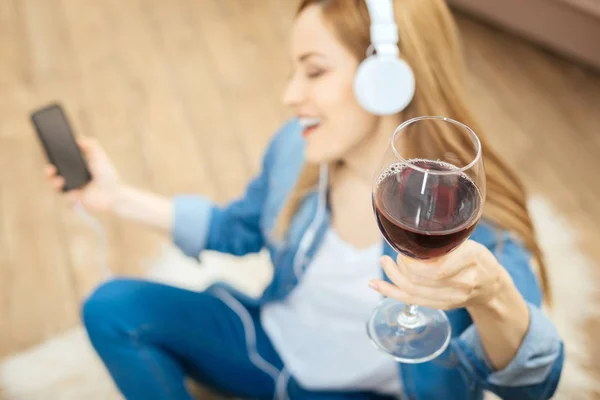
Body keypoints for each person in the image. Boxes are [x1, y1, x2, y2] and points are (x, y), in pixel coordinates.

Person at [45, 0, 563, 399]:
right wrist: (116, 199)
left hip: (369, 392)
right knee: (111, 307)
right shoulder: (299, 146)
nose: (290, 95)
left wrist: (491, 293)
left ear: (387, 77)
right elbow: (239, 227)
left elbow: (531, 386)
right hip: (267, 349)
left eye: (313, 71)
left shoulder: (472, 216)